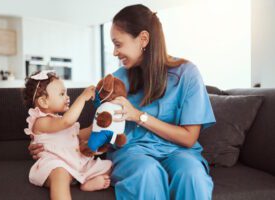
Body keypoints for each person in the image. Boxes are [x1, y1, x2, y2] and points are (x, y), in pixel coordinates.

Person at [29, 4, 216, 200]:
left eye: (118, 44)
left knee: (192, 175)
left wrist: (138, 116)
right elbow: (98, 128)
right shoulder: (115, 82)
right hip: (132, 153)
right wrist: (49, 142)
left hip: (179, 152)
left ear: (143, 39)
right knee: (147, 173)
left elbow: (188, 137)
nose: (114, 53)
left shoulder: (187, 74)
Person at [23, 70, 112, 200]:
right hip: (56, 164)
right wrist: (82, 98)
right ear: (43, 102)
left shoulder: (59, 120)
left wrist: (96, 126)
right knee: (60, 174)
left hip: (76, 163)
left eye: (66, 93)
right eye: (62, 94)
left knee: (109, 166)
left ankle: (86, 184)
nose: (67, 97)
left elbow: (78, 135)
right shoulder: (41, 122)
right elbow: (67, 121)